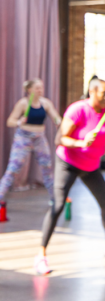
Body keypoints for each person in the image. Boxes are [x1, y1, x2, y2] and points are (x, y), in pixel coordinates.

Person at [35, 78, 105, 275]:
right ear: (92, 92)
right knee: (58, 205)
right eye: (103, 93)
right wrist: (82, 142)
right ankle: (41, 255)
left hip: (91, 166)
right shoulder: (77, 110)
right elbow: (59, 139)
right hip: (68, 163)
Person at [0, 78, 61, 219]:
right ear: (29, 90)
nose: (40, 90)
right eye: (37, 88)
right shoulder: (23, 103)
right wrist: (19, 121)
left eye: (41, 87)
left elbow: (56, 117)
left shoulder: (46, 103)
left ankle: (55, 199)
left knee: (47, 168)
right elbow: (10, 121)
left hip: (39, 137)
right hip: (23, 137)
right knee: (13, 169)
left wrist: (60, 122)